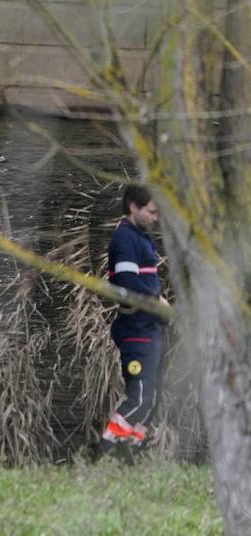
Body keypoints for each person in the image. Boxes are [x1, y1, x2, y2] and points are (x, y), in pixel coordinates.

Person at [99, 184, 168, 456]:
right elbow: (126, 282)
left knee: (151, 400)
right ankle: (105, 450)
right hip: (136, 330)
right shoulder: (125, 239)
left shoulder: (141, 236)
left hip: (150, 328)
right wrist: (156, 300)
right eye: (152, 212)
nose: (156, 218)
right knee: (139, 398)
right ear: (133, 207)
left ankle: (129, 454)